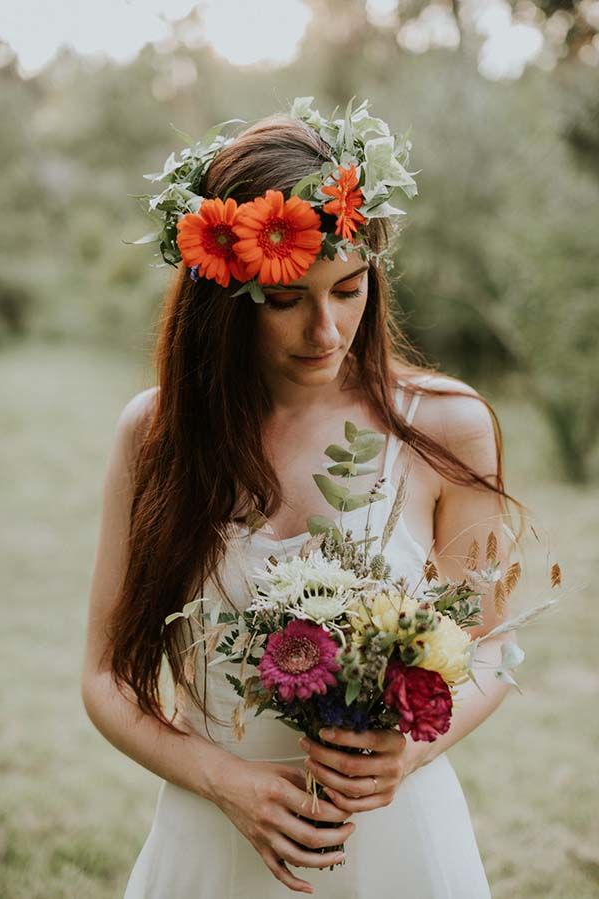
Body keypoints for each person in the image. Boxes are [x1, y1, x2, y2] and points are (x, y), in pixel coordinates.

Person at [82, 98, 520, 897]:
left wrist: (409, 751)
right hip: (211, 838)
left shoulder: (445, 426)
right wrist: (224, 781)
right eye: (287, 300)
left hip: (393, 843)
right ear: (224, 300)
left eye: (349, 288)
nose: (327, 329)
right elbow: (107, 678)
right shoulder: (155, 436)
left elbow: (492, 643)